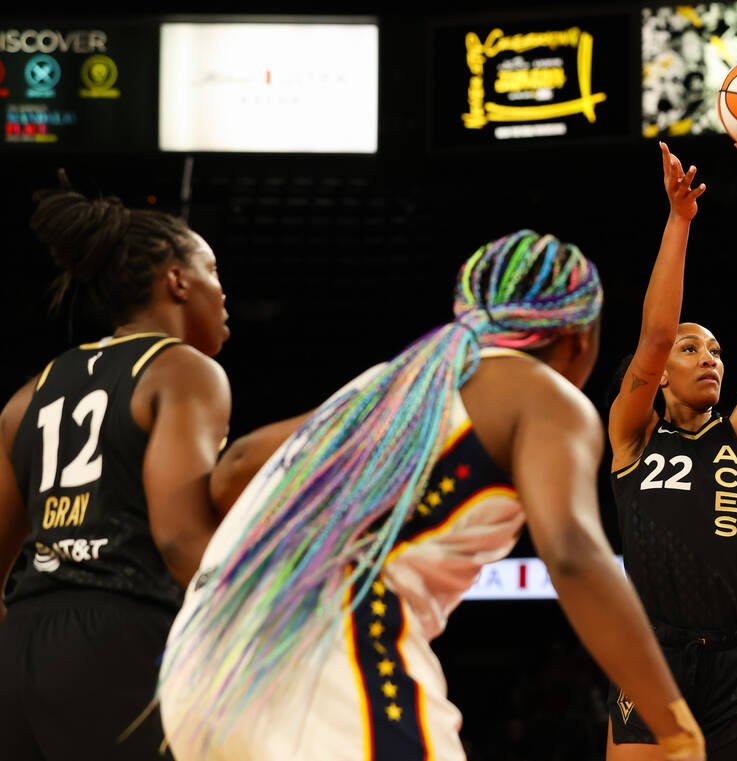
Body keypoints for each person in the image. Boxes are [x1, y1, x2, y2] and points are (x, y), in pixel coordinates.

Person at [157, 229, 706, 761]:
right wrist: (677, 728)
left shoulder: (388, 386)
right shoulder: (546, 397)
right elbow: (571, 552)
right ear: (579, 339)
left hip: (201, 669)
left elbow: (235, 467)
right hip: (326, 665)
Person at [604, 139, 737, 761]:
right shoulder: (632, 434)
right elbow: (652, 337)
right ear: (660, 373)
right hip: (653, 655)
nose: (710, 359)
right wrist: (679, 222)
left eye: (719, 352)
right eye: (692, 348)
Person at [0, 173, 232, 760]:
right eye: (213, 271)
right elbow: (180, 540)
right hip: (121, 639)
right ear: (177, 279)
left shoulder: (26, 397)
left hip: (22, 651)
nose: (223, 292)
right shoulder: (183, 370)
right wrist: (267, 610)